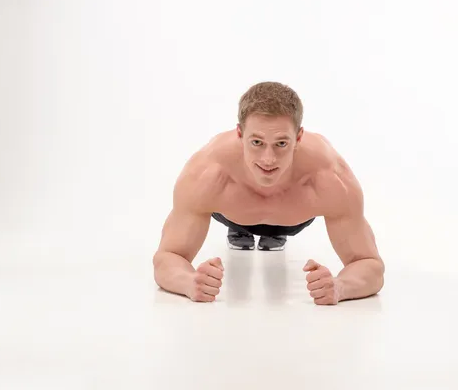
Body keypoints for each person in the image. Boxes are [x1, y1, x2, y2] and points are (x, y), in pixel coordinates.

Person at [152, 81, 385, 305]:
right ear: (240, 135)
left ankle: (275, 234)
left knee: (281, 225)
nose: (268, 159)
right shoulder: (208, 174)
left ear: (299, 138)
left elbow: (371, 265)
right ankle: (238, 230)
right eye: (256, 142)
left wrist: (339, 287)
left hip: (293, 214)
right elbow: (166, 258)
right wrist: (190, 283)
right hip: (232, 211)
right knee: (228, 210)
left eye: (281, 143)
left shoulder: (328, 177)